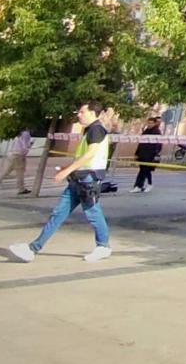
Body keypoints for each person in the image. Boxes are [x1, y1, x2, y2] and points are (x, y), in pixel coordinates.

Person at [8, 104, 113, 263]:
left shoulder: (96, 129)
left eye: (82, 112)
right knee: (59, 213)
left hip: (88, 179)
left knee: (93, 213)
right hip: (79, 178)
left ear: (92, 113)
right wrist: (69, 169)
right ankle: (33, 248)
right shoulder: (90, 130)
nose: (79, 115)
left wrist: (66, 171)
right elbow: (84, 156)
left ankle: (103, 246)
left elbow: (91, 154)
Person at [0, 126, 33, 196]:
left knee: (4, 172)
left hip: (11, 155)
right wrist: (30, 145)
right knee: (20, 173)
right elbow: (25, 146)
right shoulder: (26, 133)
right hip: (19, 155)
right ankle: (21, 189)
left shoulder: (17, 134)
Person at [132, 117, 162, 193]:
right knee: (142, 170)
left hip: (150, 154)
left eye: (151, 123)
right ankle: (138, 186)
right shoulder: (146, 131)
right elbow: (141, 143)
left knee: (147, 170)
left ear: (154, 123)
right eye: (148, 123)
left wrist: (156, 154)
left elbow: (159, 144)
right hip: (142, 153)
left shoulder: (157, 132)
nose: (149, 124)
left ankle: (150, 184)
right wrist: (137, 153)